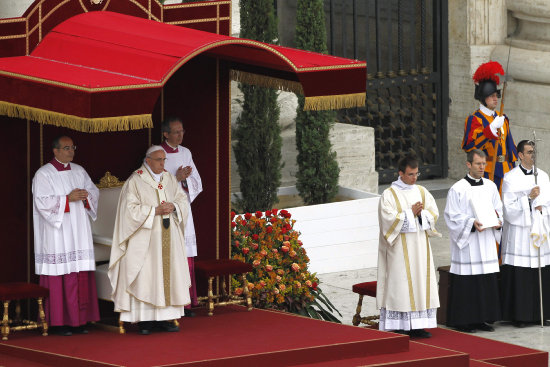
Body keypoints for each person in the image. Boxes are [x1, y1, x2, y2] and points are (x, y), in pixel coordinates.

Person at [108, 146, 191, 335]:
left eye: (164, 160)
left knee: (167, 275)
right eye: (159, 160)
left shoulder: (169, 178)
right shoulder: (135, 181)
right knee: (148, 276)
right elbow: (129, 211)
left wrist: (175, 206)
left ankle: (166, 318)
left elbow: (182, 199)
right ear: (148, 160)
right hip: (145, 240)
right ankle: (145, 321)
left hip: (169, 237)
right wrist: (154, 211)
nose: (163, 163)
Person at [32, 136, 100, 336]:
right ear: (55, 151)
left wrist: (87, 196)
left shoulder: (79, 170)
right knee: (60, 273)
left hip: (79, 229)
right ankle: (59, 322)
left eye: (73, 148)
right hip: (57, 232)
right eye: (66, 148)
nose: (71, 151)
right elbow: (42, 202)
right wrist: (67, 199)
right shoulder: (44, 174)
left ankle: (79, 320)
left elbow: (94, 192)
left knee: (79, 272)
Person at [376, 154, 440, 338]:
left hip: (419, 248)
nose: (414, 178)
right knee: (401, 285)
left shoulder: (421, 191)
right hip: (399, 251)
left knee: (420, 282)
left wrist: (421, 215)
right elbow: (387, 220)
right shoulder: (389, 195)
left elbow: (433, 214)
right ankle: (400, 325)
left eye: (417, 174)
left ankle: (418, 325)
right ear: (400, 173)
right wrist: (409, 213)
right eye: (411, 174)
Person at [444, 149, 503, 333]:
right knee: (468, 282)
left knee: (485, 280)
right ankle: (463, 320)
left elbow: (499, 209)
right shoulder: (458, 188)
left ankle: (481, 319)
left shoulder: (490, 186)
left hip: (485, 242)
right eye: (478, 164)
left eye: (484, 164)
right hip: (468, 243)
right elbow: (451, 216)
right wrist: (471, 223)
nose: (482, 167)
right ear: (468, 164)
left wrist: (497, 221)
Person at [501, 140, 550, 327]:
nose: (533, 155)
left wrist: (540, 207)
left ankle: (541, 314)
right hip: (521, 233)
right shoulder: (511, 177)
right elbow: (508, 208)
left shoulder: (543, 176)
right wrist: (528, 199)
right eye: (529, 152)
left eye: (534, 151)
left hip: (539, 229)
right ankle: (520, 316)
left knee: (541, 272)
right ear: (520, 155)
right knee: (521, 274)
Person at [160, 117, 202, 316]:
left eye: (182, 131)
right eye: (176, 132)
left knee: (184, 257)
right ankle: (170, 304)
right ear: (166, 134)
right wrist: (175, 178)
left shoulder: (186, 153)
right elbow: (150, 186)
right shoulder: (154, 154)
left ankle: (185, 302)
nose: (180, 135)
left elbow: (197, 182)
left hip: (183, 210)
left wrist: (185, 182)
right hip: (165, 212)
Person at [462, 61, 517, 193]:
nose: (495, 99)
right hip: (488, 170)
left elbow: (509, 145)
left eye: (496, 95)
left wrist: (513, 167)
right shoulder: (475, 119)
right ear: (483, 98)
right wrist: (491, 129)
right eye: (491, 96)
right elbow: (470, 146)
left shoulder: (501, 117)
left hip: (506, 169)